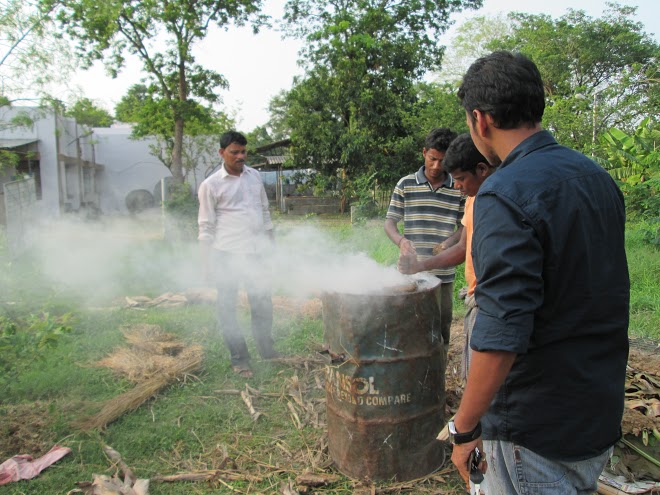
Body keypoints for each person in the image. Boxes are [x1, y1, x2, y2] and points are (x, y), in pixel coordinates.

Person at [448, 51, 630, 495]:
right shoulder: (595, 176)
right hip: (595, 409)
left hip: (533, 426)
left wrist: (465, 426)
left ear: (480, 120)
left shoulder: (503, 192)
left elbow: (501, 327)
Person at [398, 133, 496, 383]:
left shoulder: (493, 199)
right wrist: (415, 259)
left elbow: (462, 247)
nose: (458, 186)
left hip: (489, 297)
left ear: (482, 169)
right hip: (476, 292)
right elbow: (464, 243)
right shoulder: (473, 198)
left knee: (484, 370)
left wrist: (423, 263)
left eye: (461, 179)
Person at [197, 130, 279, 378]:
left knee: (262, 303)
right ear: (222, 153)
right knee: (227, 309)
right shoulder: (210, 185)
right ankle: (240, 359)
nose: (241, 156)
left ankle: (267, 350)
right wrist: (205, 263)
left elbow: (264, 213)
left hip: (256, 253)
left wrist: (271, 247)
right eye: (235, 152)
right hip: (226, 255)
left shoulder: (254, 177)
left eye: (244, 151)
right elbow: (205, 227)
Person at [384, 127, 465, 368]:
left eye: (443, 160)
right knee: (409, 322)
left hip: (444, 275)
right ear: (424, 153)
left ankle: (438, 367)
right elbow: (390, 222)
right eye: (433, 158)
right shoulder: (406, 184)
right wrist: (402, 241)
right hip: (412, 272)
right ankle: (411, 368)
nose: (437, 166)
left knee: (441, 322)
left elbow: (464, 226)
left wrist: (449, 242)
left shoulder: (458, 186)